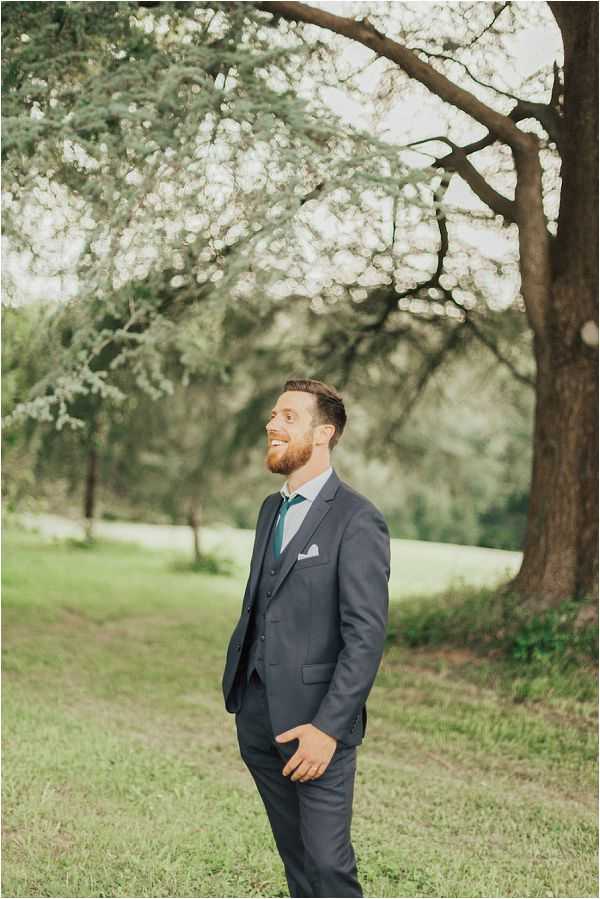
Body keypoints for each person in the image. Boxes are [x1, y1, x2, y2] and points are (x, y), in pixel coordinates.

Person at [222, 377, 390, 898]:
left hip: (317, 727)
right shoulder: (271, 510)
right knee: (296, 859)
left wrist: (327, 730)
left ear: (324, 433)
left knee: (328, 867)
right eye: (274, 415)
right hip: (256, 717)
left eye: (288, 417)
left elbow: (365, 636)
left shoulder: (358, 520)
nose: (272, 425)